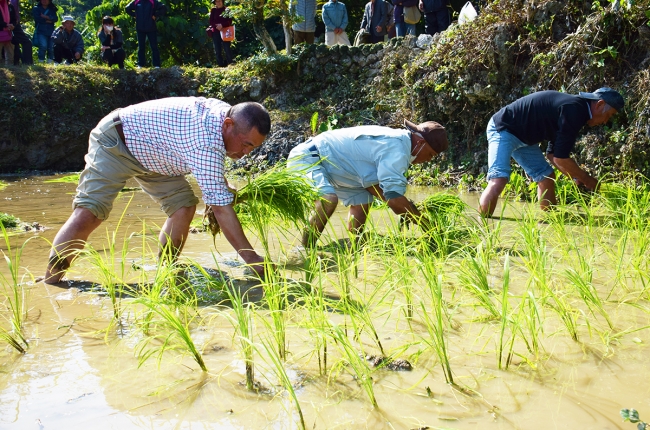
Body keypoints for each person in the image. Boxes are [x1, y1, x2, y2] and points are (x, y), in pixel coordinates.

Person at [44, 98, 272, 284]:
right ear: (228, 124)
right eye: (245, 144)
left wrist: (219, 183)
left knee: (183, 207)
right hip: (117, 142)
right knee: (89, 214)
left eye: (252, 147)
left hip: (157, 156)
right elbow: (221, 208)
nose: (246, 152)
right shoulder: (207, 138)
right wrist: (251, 259)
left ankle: (165, 272)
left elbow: (206, 163)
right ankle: (51, 282)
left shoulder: (222, 121)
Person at [287, 120, 448, 247]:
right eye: (431, 155)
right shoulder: (397, 148)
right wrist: (425, 224)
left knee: (362, 203)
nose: (428, 160)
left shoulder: (399, 143)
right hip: (309, 158)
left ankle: (354, 248)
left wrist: (408, 208)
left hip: (341, 170)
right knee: (328, 199)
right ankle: (305, 249)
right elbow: (393, 199)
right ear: (420, 143)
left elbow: (375, 188)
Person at [478, 88, 625, 217]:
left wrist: (575, 177)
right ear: (599, 105)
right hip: (504, 128)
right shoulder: (574, 110)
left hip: (524, 138)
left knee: (547, 177)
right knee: (499, 179)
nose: (606, 121)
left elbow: (553, 154)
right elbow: (560, 158)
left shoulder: (576, 111)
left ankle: (550, 219)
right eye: (610, 115)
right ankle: (482, 230)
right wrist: (587, 180)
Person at [125, 0, 166, 68]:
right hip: (140, 28)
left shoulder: (153, 1)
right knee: (141, 47)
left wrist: (155, 15)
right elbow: (127, 8)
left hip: (151, 28)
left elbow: (163, 8)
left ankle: (157, 65)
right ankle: (141, 64)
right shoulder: (137, 1)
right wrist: (135, 15)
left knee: (154, 47)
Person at [208, 0, 232, 67]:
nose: (218, 2)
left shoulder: (227, 10)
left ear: (222, 1)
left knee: (227, 48)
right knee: (217, 50)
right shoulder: (213, 10)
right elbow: (211, 21)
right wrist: (217, 26)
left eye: (220, 1)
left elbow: (230, 21)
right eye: (217, 1)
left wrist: (222, 25)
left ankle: (230, 64)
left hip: (226, 31)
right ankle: (220, 65)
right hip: (215, 32)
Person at [10, 0, 33, 65]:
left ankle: (25, 63)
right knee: (13, 44)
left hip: (14, 23)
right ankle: (23, 63)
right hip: (9, 24)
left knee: (19, 43)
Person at [0, 0, 15, 65]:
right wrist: (6, 25)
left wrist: (12, 25)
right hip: (1, 31)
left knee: (10, 54)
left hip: (9, 33)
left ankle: (9, 68)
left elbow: (14, 19)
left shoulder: (10, 6)